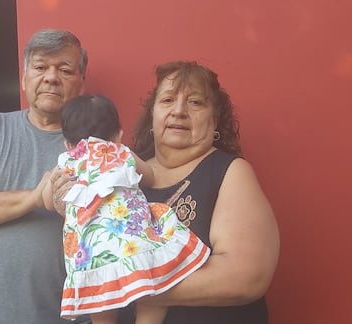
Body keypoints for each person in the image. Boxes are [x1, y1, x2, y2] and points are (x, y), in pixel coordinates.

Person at [0, 29, 91, 324]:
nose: (51, 77)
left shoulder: (97, 146)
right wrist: (36, 197)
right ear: (24, 78)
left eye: (65, 69)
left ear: (81, 83)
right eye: (39, 67)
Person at [114, 61, 280, 324]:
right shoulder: (124, 173)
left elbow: (247, 275)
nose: (179, 111)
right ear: (152, 117)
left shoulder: (229, 172)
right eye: (167, 100)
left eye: (195, 103)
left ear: (214, 121)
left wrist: (139, 286)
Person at [43, 94, 211, 324]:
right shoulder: (121, 152)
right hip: (132, 244)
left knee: (101, 301)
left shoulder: (66, 163)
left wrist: (56, 194)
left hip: (93, 253)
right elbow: (149, 177)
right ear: (118, 135)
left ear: (67, 144)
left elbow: (47, 198)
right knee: (154, 288)